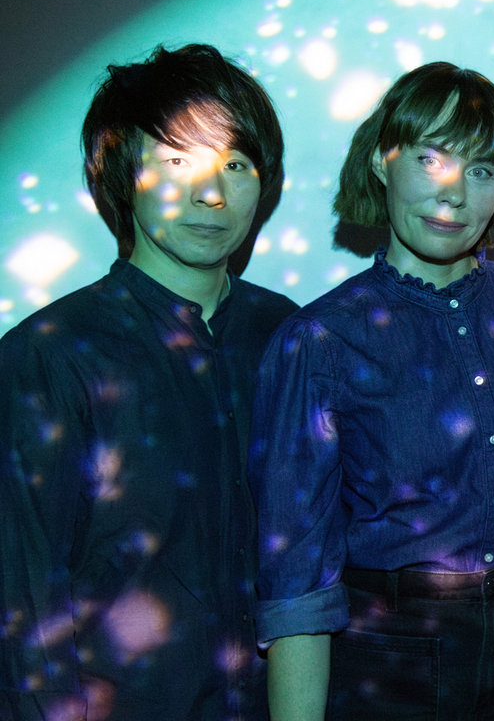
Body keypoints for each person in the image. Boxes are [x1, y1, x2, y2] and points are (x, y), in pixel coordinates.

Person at [250, 61, 494, 720]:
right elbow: (296, 580)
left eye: (481, 169)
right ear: (381, 161)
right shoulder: (320, 341)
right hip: (390, 662)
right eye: (431, 158)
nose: (454, 194)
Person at [0, 43, 297, 719]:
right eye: (175, 160)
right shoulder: (49, 357)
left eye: (236, 164)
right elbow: (23, 608)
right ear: (122, 172)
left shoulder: (290, 336)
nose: (211, 193)